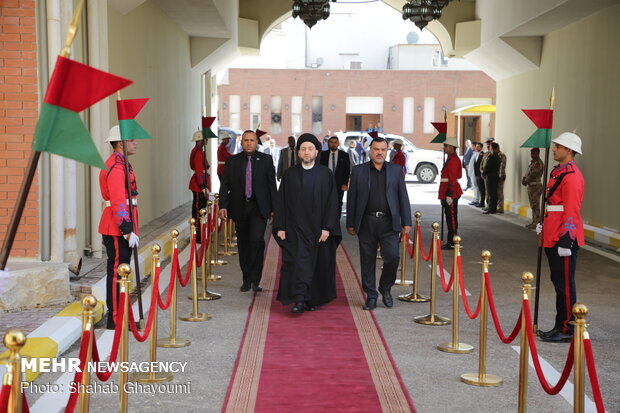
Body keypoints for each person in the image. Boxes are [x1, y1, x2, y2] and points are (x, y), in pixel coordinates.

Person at [274, 133, 341, 314]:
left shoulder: (325, 174)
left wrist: (327, 227)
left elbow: (332, 203)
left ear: (317, 151)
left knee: (317, 265)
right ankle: (299, 299)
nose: (306, 152)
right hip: (295, 229)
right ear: (298, 152)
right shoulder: (290, 174)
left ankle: (312, 299)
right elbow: (281, 202)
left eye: (310, 149)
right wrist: (280, 226)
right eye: (303, 149)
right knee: (297, 264)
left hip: (318, 231)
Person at [346, 137, 411, 311]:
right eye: (376, 149)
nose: (379, 152)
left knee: (392, 257)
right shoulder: (359, 171)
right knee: (367, 261)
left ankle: (385, 287)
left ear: (387, 151)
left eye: (383, 149)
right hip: (366, 221)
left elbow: (402, 197)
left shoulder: (396, 171)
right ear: (370, 150)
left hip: (389, 223)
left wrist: (406, 221)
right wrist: (350, 222)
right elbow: (352, 198)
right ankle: (371, 295)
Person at [537, 132, 584, 343]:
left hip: (562, 236)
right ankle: (560, 324)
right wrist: (544, 223)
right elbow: (555, 206)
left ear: (569, 150)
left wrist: (567, 238)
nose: (554, 149)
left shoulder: (572, 176)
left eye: (558, 146)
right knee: (558, 282)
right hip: (553, 231)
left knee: (564, 284)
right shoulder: (559, 173)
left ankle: (566, 328)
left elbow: (571, 210)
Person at [219, 130, 277, 292]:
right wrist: (223, 206)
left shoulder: (265, 160)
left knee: (256, 241)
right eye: (245, 140)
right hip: (240, 207)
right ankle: (246, 278)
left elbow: (272, 185)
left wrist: (274, 209)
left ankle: (256, 280)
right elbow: (225, 185)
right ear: (241, 142)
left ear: (256, 142)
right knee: (244, 244)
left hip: (259, 208)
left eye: (251, 140)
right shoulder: (232, 161)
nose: (249, 143)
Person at [99, 126, 140, 330]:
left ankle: (121, 313)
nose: (136, 142)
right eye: (132, 139)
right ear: (121, 143)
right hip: (117, 227)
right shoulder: (116, 167)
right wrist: (126, 228)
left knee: (123, 272)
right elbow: (117, 199)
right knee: (117, 272)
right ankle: (114, 317)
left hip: (123, 225)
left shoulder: (122, 163)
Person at [438, 137, 462, 249]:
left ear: (452, 147)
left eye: (446, 146)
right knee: (449, 217)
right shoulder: (450, 158)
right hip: (446, 190)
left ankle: (452, 241)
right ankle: (450, 240)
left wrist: (449, 194)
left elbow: (452, 178)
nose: (444, 148)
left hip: (450, 191)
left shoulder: (453, 160)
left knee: (451, 218)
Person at [319, 135, 351, 211]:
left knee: (338, 203)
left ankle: (336, 221)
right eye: (331, 142)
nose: (333, 144)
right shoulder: (323, 155)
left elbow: (347, 170)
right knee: (326, 203)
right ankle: (328, 221)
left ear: (338, 144)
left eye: (335, 142)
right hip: (326, 183)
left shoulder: (344, 155)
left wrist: (345, 184)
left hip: (340, 184)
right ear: (328, 143)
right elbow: (320, 170)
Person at [189, 131, 210, 243]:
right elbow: (198, 170)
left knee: (200, 209)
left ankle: (199, 235)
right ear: (200, 140)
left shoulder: (199, 151)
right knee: (198, 211)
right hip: (198, 185)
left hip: (199, 183)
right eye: (205, 139)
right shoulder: (198, 152)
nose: (207, 141)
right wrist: (203, 186)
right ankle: (197, 237)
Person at [522, 148, 544, 229]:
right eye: (531, 153)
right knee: (533, 205)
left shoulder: (538, 163)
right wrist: (524, 178)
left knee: (535, 205)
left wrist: (526, 181)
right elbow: (528, 172)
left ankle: (537, 222)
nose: (531, 155)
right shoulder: (532, 162)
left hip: (535, 186)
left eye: (533, 153)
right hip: (531, 186)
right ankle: (534, 221)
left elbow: (533, 174)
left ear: (538, 153)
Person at [482, 142, 501, 214]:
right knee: (494, 193)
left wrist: (484, 173)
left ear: (492, 148)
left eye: (490, 147)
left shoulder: (492, 157)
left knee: (490, 193)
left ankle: (491, 208)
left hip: (490, 177)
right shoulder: (498, 157)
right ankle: (493, 208)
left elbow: (488, 167)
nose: (489, 148)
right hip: (495, 176)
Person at [473, 142, 486, 208]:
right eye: (476, 146)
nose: (477, 147)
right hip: (477, 174)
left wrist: (481, 173)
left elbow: (483, 165)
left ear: (481, 147)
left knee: (482, 189)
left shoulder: (482, 154)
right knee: (480, 189)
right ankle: (480, 202)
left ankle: (482, 202)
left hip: (480, 174)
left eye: (478, 146)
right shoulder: (476, 154)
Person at [496, 143, 507, 213]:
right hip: (496, 175)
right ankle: (498, 206)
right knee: (497, 192)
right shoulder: (496, 154)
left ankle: (501, 207)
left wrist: (500, 175)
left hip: (500, 175)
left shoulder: (501, 155)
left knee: (500, 192)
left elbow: (502, 166)